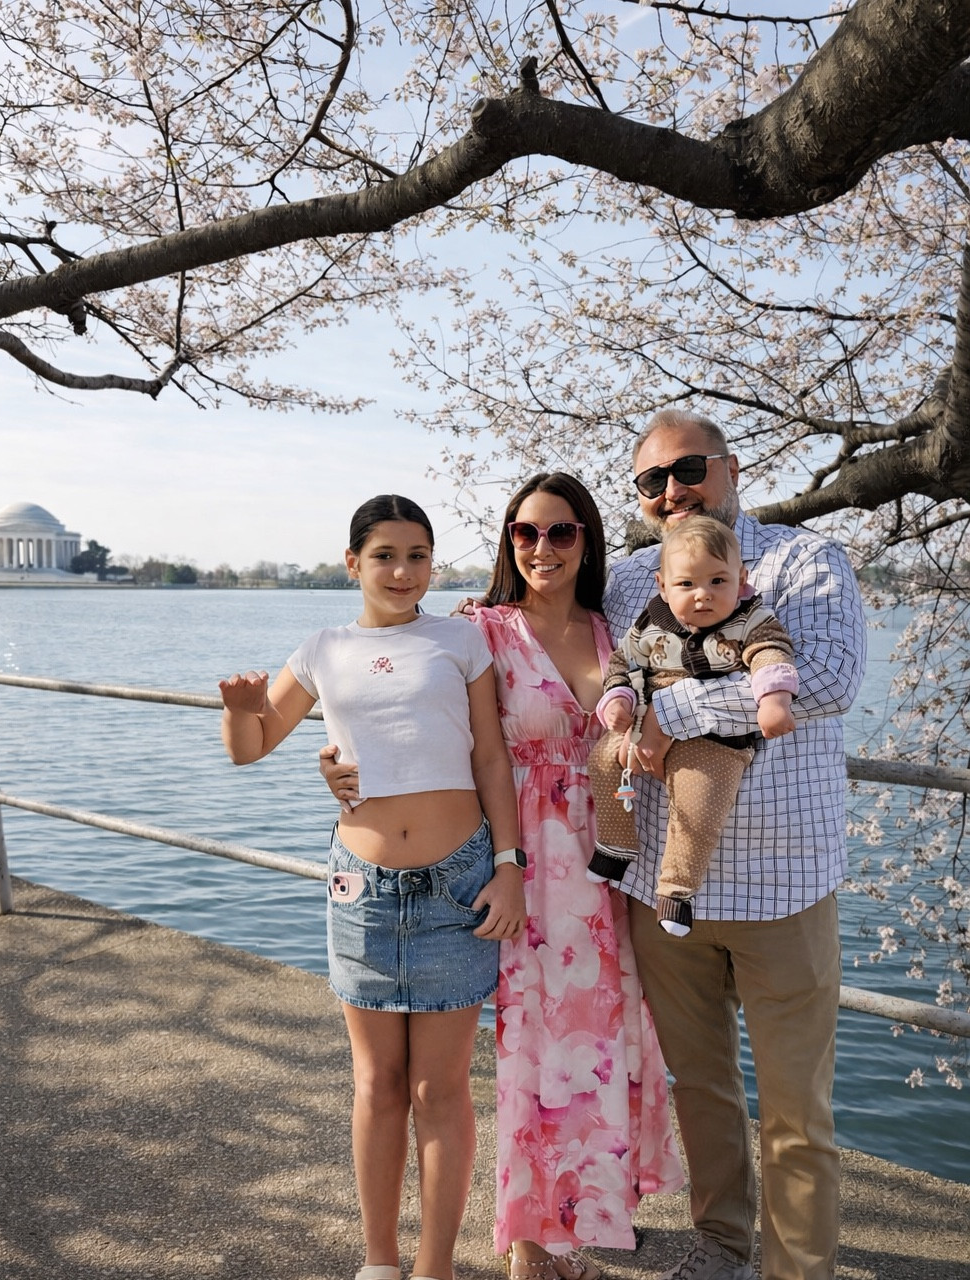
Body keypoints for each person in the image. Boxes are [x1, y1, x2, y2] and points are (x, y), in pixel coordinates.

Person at [323, 474, 684, 1280]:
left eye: (561, 533)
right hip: (511, 863)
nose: (542, 548)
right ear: (506, 541)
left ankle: (571, 1226)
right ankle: (526, 1241)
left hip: (608, 863)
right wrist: (339, 767)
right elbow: (400, 713)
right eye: (526, 533)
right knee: (528, 1048)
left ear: (586, 541)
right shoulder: (477, 630)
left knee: (599, 1044)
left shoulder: (615, 628)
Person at [220, 494, 527, 1280]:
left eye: (418, 555)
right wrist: (239, 710)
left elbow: (492, 761)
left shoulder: (461, 642)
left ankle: (435, 1267)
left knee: (441, 1087)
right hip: (361, 888)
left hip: (458, 883)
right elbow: (252, 748)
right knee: (378, 1083)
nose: (402, 570)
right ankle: (380, 1262)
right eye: (384, 554)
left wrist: (509, 866)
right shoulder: (322, 647)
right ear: (352, 562)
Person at [605, 410, 867, 1280]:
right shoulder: (626, 578)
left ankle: (797, 1270)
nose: (671, 492)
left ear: (730, 468)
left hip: (782, 884)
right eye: (651, 481)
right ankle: (721, 1246)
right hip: (660, 883)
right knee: (702, 1090)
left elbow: (825, 679)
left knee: (796, 1109)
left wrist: (673, 711)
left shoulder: (804, 560)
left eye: (687, 470)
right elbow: (561, 645)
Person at [587, 516, 798, 937]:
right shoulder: (652, 620)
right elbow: (624, 662)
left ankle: (677, 891)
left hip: (714, 738)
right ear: (663, 586)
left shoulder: (750, 619)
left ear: (741, 579)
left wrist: (774, 699)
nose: (702, 595)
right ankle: (616, 843)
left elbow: (771, 654)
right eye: (686, 585)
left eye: (717, 581)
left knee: (697, 806)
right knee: (602, 759)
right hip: (645, 718)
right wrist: (618, 698)